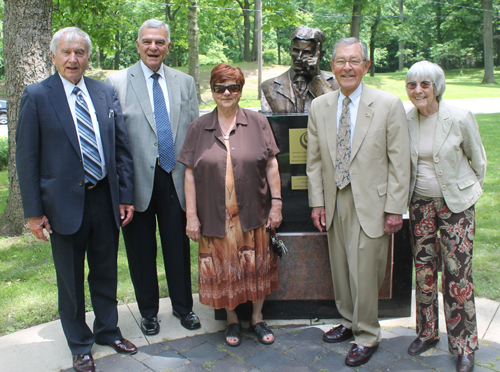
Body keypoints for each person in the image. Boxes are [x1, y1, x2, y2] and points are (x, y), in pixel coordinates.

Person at [16, 27, 136, 372]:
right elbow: (27, 159)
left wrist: (125, 195)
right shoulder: (37, 96)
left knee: (105, 272)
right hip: (62, 206)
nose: (73, 59)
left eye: (80, 52)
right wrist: (34, 213)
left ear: (87, 57)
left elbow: (121, 150)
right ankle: (80, 344)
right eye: (66, 52)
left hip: (104, 199)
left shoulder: (104, 92)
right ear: (54, 56)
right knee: (70, 280)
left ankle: (108, 330)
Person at [306, 37, 410, 367]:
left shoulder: (388, 104)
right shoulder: (320, 106)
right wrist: (317, 202)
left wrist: (395, 208)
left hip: (373, 203)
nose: (346, 67)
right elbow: (315, 161)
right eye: (340, 61)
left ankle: (367, 334)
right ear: (332, 67)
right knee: (340, 266)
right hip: (335, 200)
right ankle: (349, 321)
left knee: (365, 271)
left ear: (366, 66)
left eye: (354, 61)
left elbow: (400, 161)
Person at [105, 19, 200, 335]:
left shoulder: (184, 82)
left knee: (178, 247)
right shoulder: (116, 82)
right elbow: (114, 140)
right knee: (141, 251)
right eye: (147, 41)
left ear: (168, 46)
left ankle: (183, 307)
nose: (153, 47)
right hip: (137, 183)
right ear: (137, 44)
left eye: (159, 42)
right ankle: (148, 312)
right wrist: (120, 190)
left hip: (175, 178)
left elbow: (192, 132)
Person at [178, 63, 282, 347]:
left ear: (240, 90)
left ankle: (258, 318)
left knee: (256, 267)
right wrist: (191, 216)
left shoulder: (258, 121)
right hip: (215, 216)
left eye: (232, 87)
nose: (226, 93)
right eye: (219, 87)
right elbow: (189, 173)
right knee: (223, 270)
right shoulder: (198, 127)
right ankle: (233, 320)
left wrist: (276, 205)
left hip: (253, 212)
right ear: (211, 90)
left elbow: (272, 164)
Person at [405, 61, 486, 372]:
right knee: (424, 270)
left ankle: (464, 344)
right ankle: (426, 333)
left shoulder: (460, 117)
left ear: (437, 87)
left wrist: (467, 192)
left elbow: (478, 159)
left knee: (457, 273)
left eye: (425, 84)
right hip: (420, 202)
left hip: (456, 204)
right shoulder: (406, 118)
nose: (418, 90)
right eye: (412, 85)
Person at [261, 25, 338, 114]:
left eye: (306, 52)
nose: (299, 57)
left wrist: (316, 77)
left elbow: (336, 113)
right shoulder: (268, 87)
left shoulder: (336, 85)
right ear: (290, 50)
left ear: (320, 55)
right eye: (296, 50)